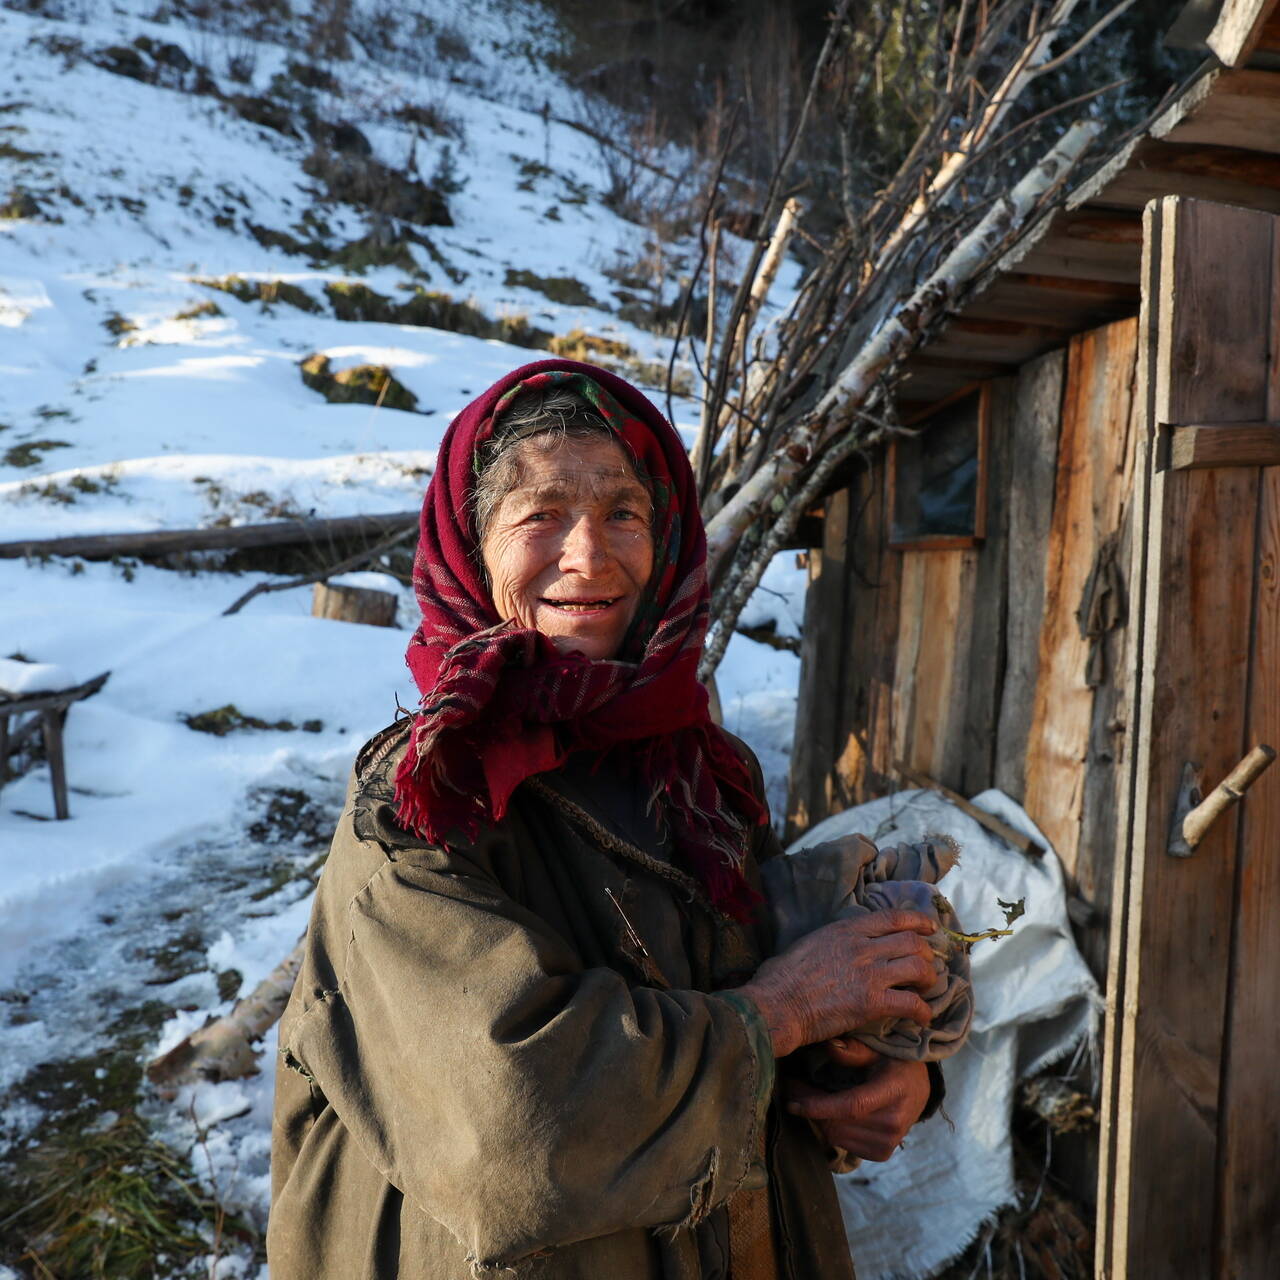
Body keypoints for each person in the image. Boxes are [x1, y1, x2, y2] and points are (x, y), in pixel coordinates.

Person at [268, 359, 944, 1279]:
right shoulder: (430, 803)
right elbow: (515, 1132)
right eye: (540, 514)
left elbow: (744, 983)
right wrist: (784, 1012)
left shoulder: (701, 773)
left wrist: (877, 1070)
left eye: (623, 512)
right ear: (469, 544)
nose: (588, 556)